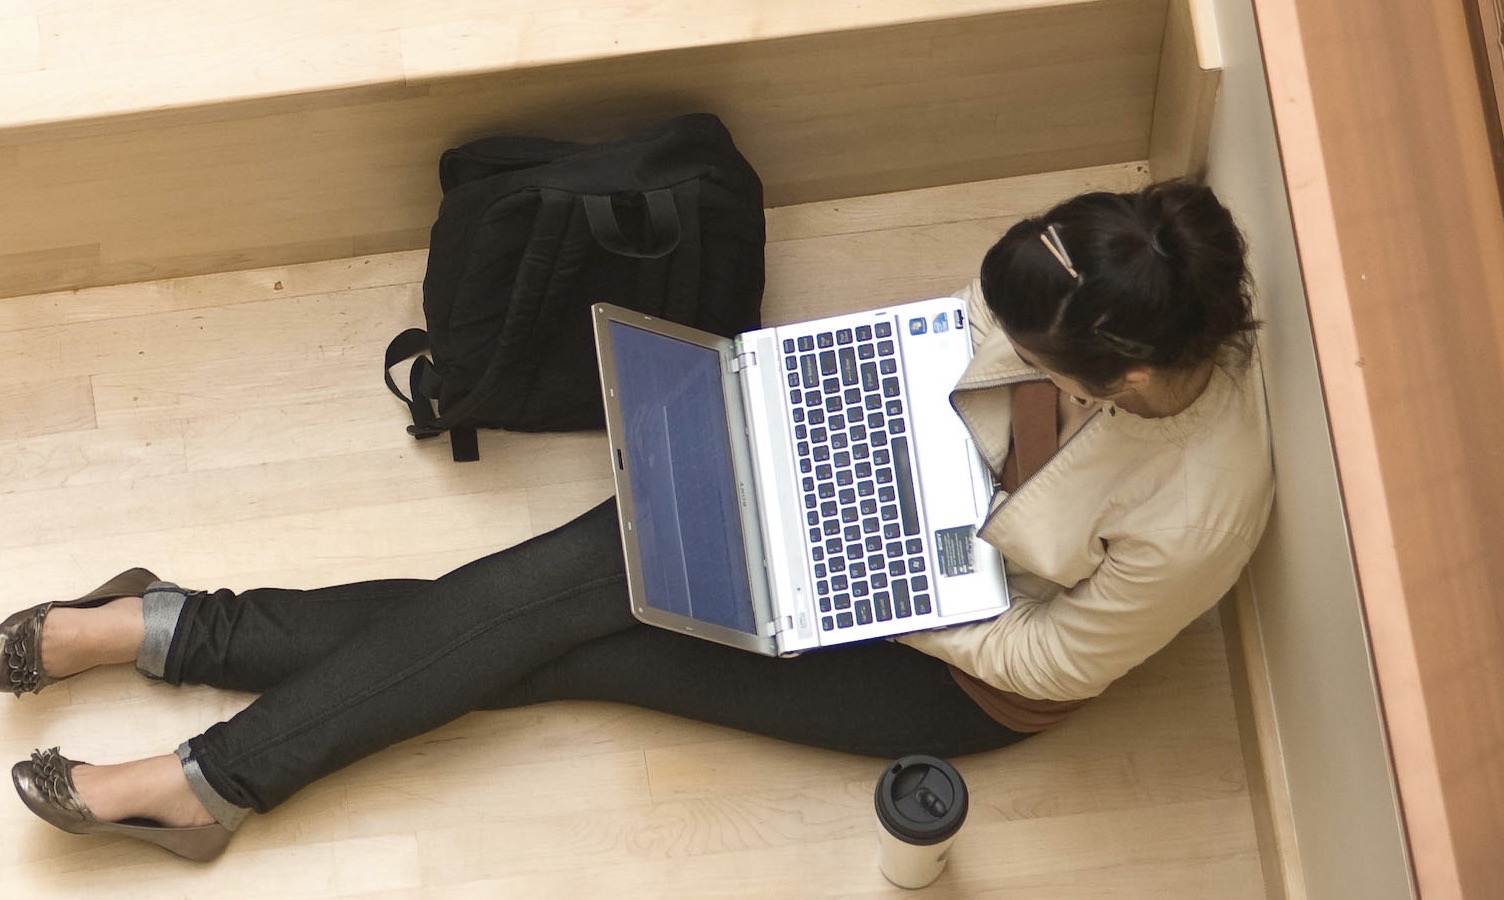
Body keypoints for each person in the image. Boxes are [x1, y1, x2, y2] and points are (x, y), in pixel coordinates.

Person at [3, 179, 1273, 861]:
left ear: (1136, 382)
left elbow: (1052, 661)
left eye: (1040, 360)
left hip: (961, 673)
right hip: (883, 503)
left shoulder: (1203, 505)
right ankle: (180, 678)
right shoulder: (1095, 275)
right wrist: (808, 404)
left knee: (564, 629)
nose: (1008, 350)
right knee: (554, 606)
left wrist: (844, 578)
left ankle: (193, 723)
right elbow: (950, 345)